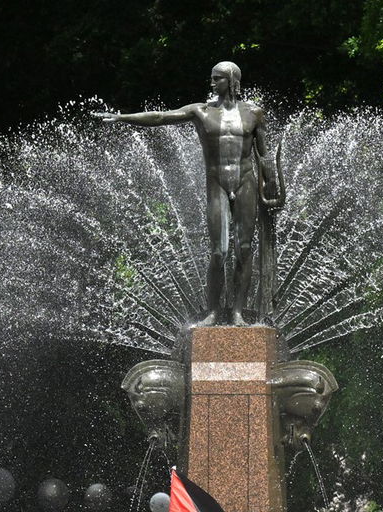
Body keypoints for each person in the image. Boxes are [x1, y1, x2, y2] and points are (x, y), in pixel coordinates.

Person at [93, 61, 283, 322]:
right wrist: (124, 117)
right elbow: (161, 116)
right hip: (217, 183)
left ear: (231, 81)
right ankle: (214, 311)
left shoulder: (254, 113)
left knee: (244, 248)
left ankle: (237, 311)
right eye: (212, 78)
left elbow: (264, 155)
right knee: (219, 251)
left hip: (246, 182)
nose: (212, 83)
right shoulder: (201, 111)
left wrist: (271, 184)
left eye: (217, 79)